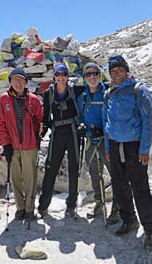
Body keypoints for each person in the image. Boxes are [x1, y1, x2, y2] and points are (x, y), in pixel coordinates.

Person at [102, 55, 152, 250]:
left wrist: (144, 149)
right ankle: (129, 220)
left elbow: (149, 121)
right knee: (119, 186)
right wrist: (108, 148)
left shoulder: (138, 90)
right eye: (112, 71)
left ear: (126, 71)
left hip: (134, 146)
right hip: (115, 145)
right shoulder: (109, 93)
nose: (116, 74)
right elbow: (106, 122)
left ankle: (151, 229)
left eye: (119, 70)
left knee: (139, 187)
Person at [76, 62, 124, 223]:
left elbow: (115, 117)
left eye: (95, 73)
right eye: (88, 74)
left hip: (107, 141)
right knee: (95, 175)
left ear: (100, 74)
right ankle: (99, 203)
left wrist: (104, 131)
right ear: (84, 77)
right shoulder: (82, 97)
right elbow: (80, 117)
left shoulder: (108, 93)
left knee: (115, 174)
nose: (92, 77)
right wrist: (81, 126)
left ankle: (118, 207)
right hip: (91, 140)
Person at [0, 68, 43, 221]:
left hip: (30, 146)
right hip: (13, 146)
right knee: (15, 178)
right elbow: (0, 124)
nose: (18, 83)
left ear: (25, 82)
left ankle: (30, 208)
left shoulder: (33, 100)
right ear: (10, 82)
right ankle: (20, 207)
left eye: (21, 80)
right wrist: (6, 144)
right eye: (15, 79)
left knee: (30, 178)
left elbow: (39, 120)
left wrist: (37, 136)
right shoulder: (4, 100)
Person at [37, 63, 84, 218]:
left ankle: (71, 205)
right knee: (51, 168)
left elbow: (95, 88)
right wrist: (42, 132)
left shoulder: (76, 90)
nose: (61, 77)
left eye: (64, 74)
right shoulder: (48, 94)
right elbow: (45, 117)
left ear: (67, 76)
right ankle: (43, 206)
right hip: (57, 132)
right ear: (54, 77)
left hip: (72, 132)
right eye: (58, 74)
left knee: (73, 168)